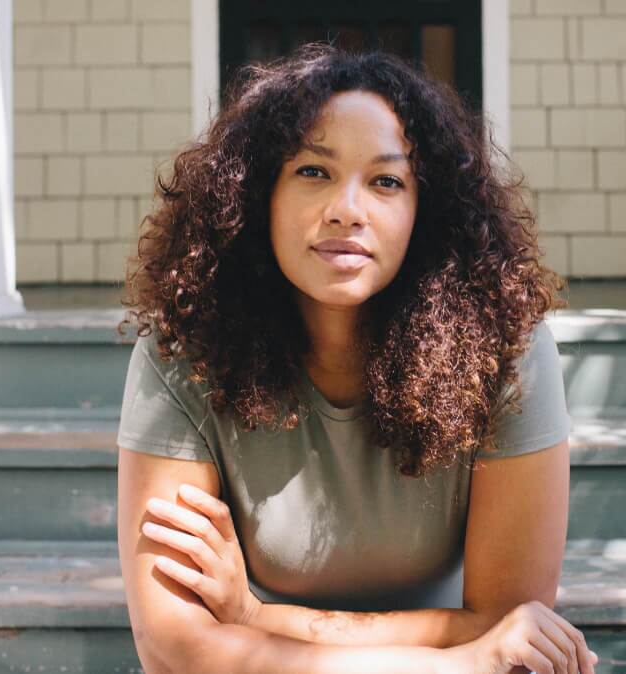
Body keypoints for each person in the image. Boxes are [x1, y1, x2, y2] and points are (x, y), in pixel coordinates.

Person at [115, 43, 599, 674]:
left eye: (387, 181)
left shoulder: (505, 350)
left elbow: (509, 628)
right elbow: (172, 647)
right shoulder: (185, 351)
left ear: (425, 213)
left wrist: (257, 618)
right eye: (313, 172)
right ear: (260, 195)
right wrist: (458, 660)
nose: (348, 209)